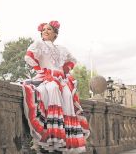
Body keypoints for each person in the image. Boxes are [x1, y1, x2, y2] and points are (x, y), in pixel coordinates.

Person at [23, 20, 90, 153]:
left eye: (49, 30)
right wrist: (41, 70)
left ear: (55, 34)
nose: (45, 31)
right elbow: (29, 57)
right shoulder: (38, 44)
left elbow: (72, 60)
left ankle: (66, 137)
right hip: (46, 76)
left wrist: (65, 70)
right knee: (52, 89)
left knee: (67, 95)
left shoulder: (62, 49)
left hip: (61, 78)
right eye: (43, 30)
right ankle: (51, 135)